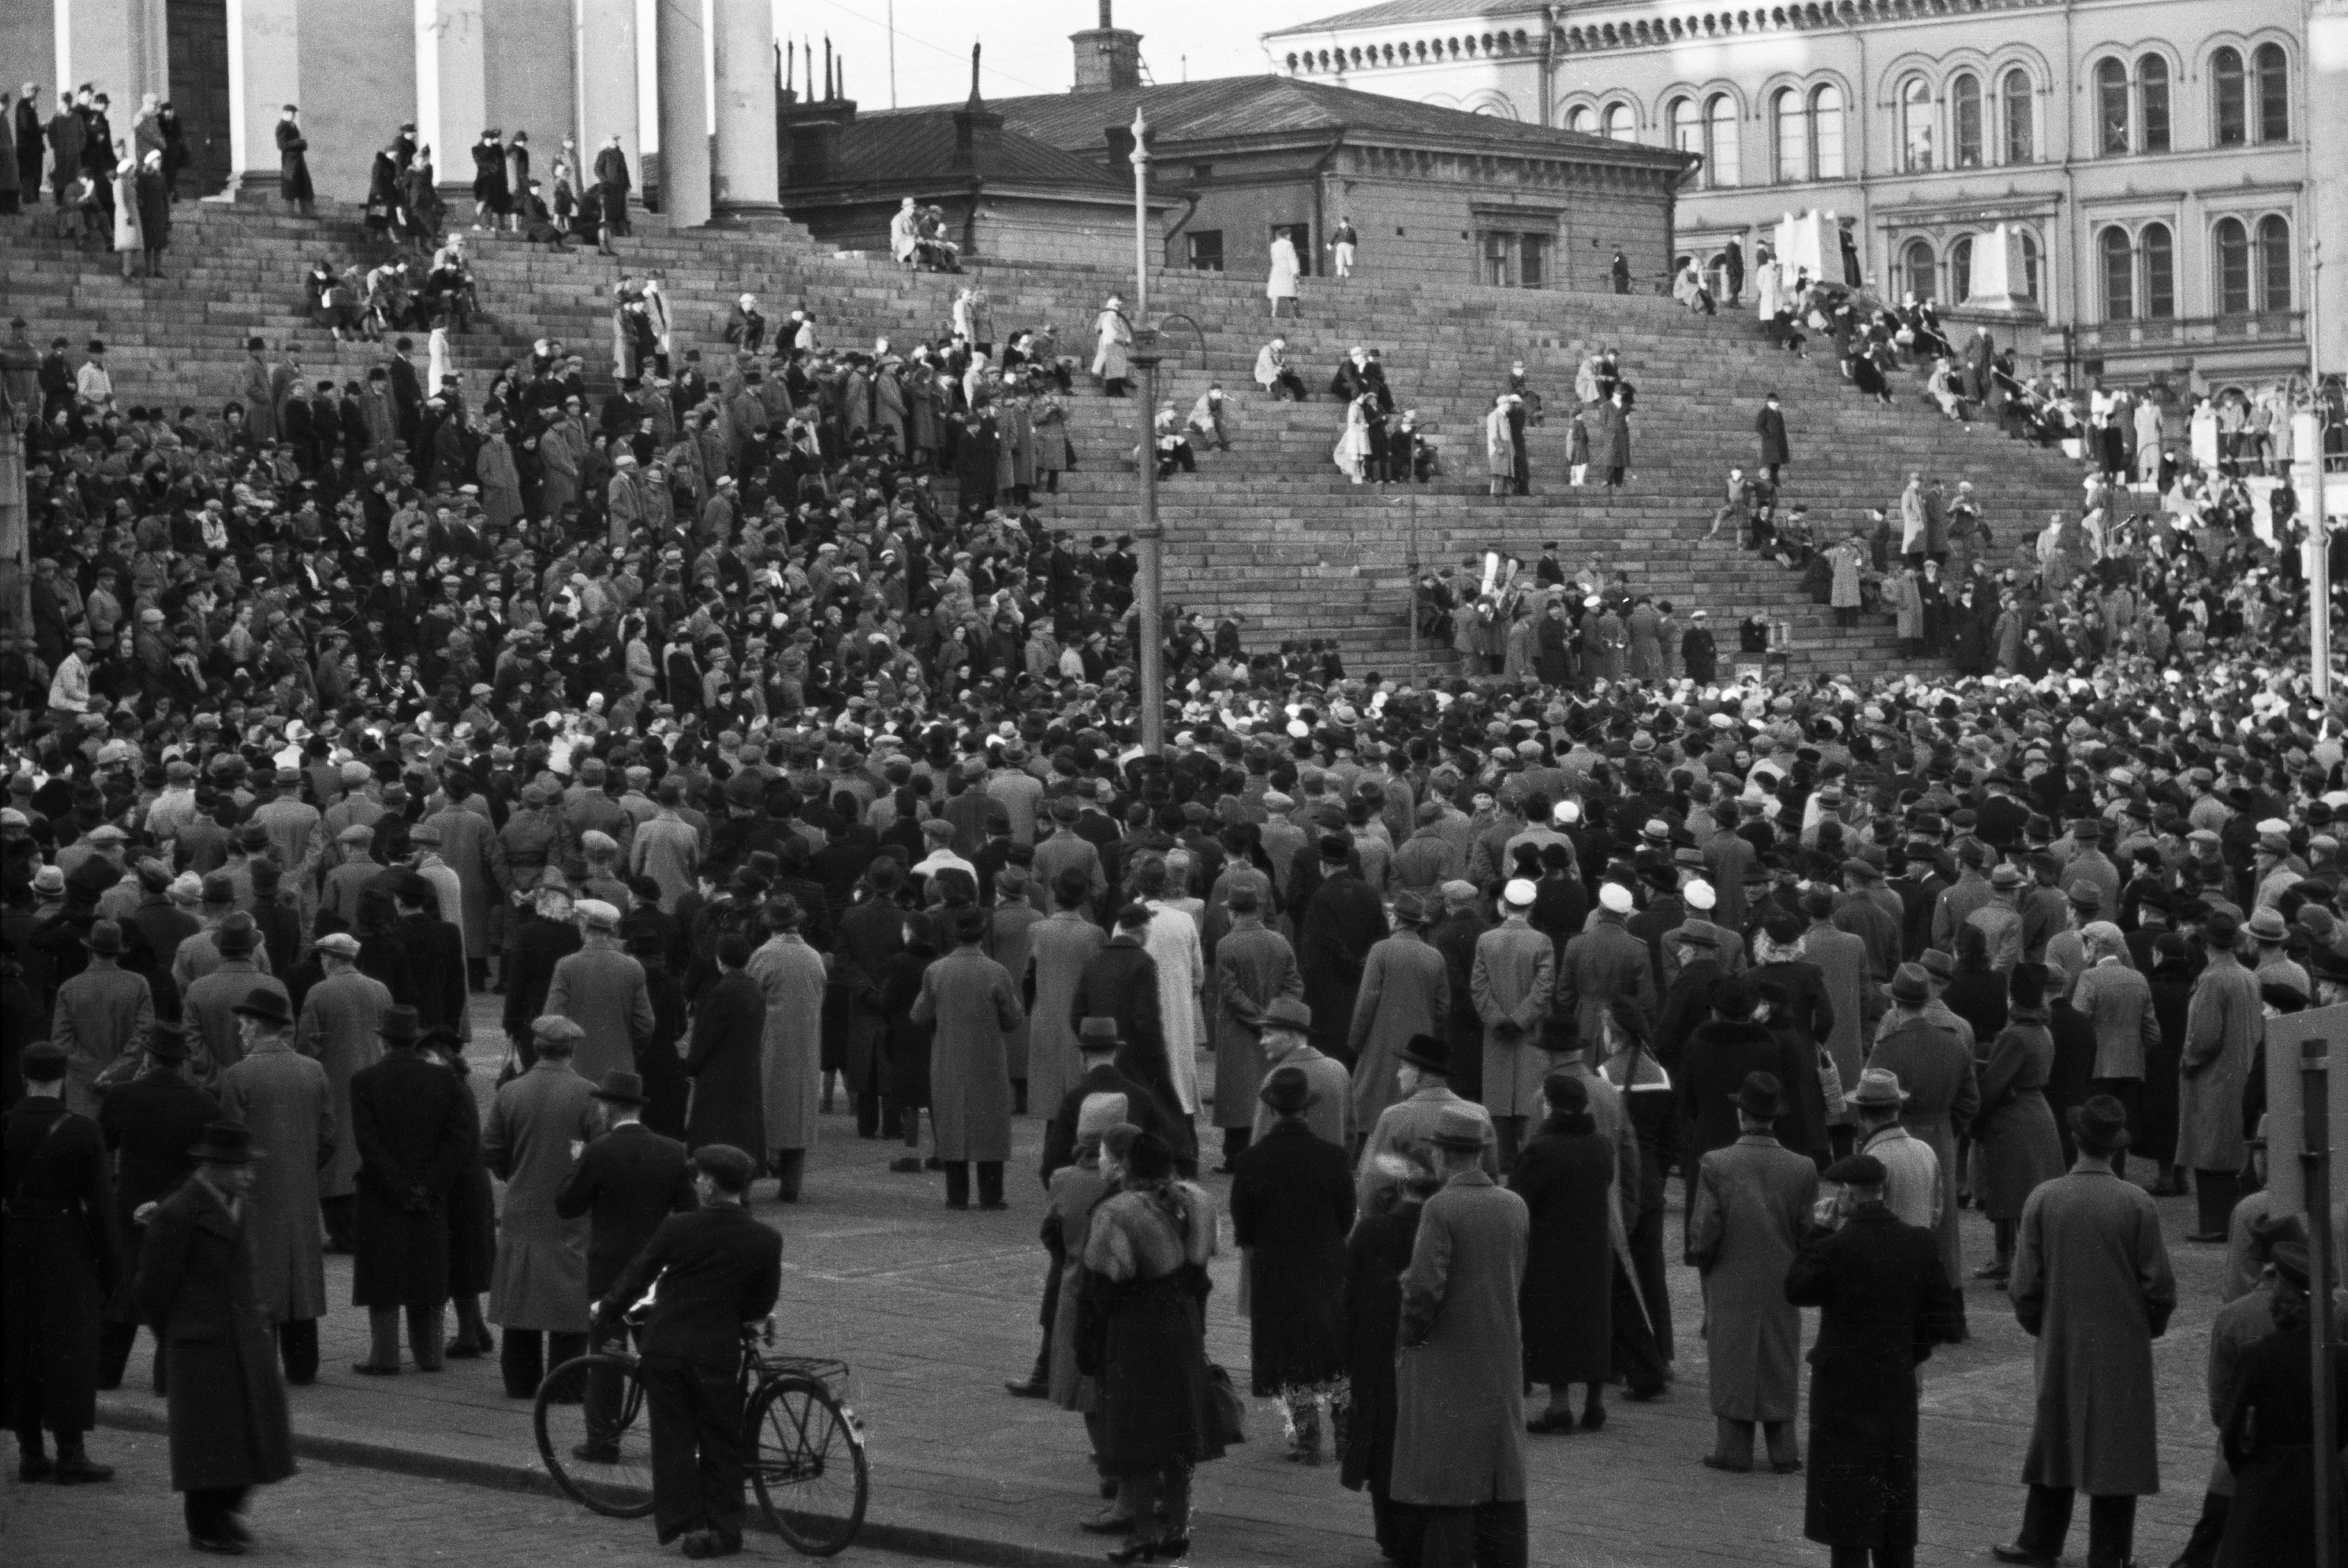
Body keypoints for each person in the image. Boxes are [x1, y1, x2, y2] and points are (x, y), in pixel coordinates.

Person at [1992, 1095, 2176, 1568]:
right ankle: (2111, 1552)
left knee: (2055, 1433)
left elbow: (2023, 1284)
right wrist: (2143, 1327)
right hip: (2122, 1342)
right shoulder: (2138, 1203)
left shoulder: (2045, 1197)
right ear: (2117, 1147)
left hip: (2061, 1337)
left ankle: (2039, 1540)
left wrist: (2043, 1323)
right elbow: (2159, 1285)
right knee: (2118, 1441)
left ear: (2075, 1140)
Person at [591, 1143, 783, 1561]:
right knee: (721, 1439)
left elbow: (639, 1275)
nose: (696, 1183)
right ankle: (726, 1529)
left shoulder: (678, 1227)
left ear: (710, 1185)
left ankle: (690, 1526)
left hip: (667, 1347)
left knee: (673, 1437)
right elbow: (760, 1302)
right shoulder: (766, 1239)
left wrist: (607, 1310)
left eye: (699, 1178)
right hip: (716, 1354)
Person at [1783, 1152, 1962, 1568]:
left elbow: (1796, 1288)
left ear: (1847, 1193)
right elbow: (1943, 1318)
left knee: (1847, 1509)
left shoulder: (1834, 1247)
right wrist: (1908, 1351)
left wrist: (1817, 1231)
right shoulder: (1918, 1242)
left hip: (1841, 1390)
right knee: (1894, 1498)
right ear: (1882, 1191)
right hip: (1895, 1385)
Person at [135, 1121, 295, 1552]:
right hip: (202, 1342)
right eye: (240, 1167)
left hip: (244, 1336)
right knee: (208, 1443)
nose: (249, 1175)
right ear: (211, 1167)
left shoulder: (236, 1204)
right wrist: (177, 1336)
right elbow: (153, 1289)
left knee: (250, 1432)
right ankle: (204, 1525)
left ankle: (226, 1511)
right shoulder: (179, 1212)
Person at [1389, 1102, 1530, 1568]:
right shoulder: (1514, 1206)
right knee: (1499, 1478)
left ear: (1442, 1155)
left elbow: (1424, 1290)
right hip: (1500, 1352)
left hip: (1446, 1358)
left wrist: (1408, 1335)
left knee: (1448, 1481)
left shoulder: (1441, 1207)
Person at [1080, 1128, 1222, 1562]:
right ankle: (1177, 1527)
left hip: (1134, 1329)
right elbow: (1201, 1275)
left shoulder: (1117, 1211)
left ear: (1129, 1168)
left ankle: (1142, 1532)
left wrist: (1087, 1340)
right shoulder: (1197, 1201)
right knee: (1178, 1429)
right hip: (1183, 1322)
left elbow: (1103, 1285)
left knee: (1136, 1431)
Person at [555, 1068, 696, 1460]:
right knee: (661, 1358)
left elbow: (567, 1206)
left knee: (607, 1359)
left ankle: (604, 1441)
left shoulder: (599, 1150)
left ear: (607, 1109)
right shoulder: (672, 1151)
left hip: (609, 1273)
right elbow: (689, 1211)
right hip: (657, 1273)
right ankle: (674, 1440)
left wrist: (577, 1164)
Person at [1688, 1071, 1818, 1473]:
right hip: (1782, 1278)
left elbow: (1705, 1231)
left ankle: (1734, 1448)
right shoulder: (1803, 1168)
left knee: (1731, 1356)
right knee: (1780, 1354)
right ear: (1774, 1117)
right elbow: (1808, 1231)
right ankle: (1784, 1449)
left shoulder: (1717, 1164)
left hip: (1730, 1275)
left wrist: (1703, 1266)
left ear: (1742, 1114)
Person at [3, 1041, 118, 1484]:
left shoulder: (7, 1126)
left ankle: (30, 1451)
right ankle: (71, 1451)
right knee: (69, 1346)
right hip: (66, 1246)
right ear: (62, 1078)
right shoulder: (82, 1130)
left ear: (23, 1076)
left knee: (19, 1346)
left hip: (13, 1247)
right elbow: (102, 1210)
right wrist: (112, 1271)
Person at [1229, 1064, 1355, 1462]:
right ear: (1307, 1109)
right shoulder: (1333, 1158)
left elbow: (1243, 1224)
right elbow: (1347, 1216)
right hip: (1325, 1263)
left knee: (1288, 1352)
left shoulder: (1251, 1160)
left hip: (1276, 1266)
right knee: (1334, 1350)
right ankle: (1347, 1433)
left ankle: (1306, 1438)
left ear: (1272, 1110)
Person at [348, 1005, 475, 1374]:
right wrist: (429, 1186)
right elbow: (459, 1141)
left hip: (382, 1191)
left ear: (384, 1041)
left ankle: (384, 1356)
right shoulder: (446, 1081)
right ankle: (429, 1355)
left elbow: (368, 1143)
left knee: (382, 1272)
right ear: (417, 1040)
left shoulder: (365, 1081)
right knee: (427, 1269)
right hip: (430, 1195)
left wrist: (400, 1185)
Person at [215, 987, 333, 1386]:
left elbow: (230, 1144)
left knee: (260, 1277)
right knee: (301, 1275)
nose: (239, 1034)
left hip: (256, 1192)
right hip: (300, 1190)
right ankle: (303, 1366)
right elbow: (329, 1136)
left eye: (242, 1026)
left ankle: (262, 1364)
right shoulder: (313, 1070)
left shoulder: (237, 1076)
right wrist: (303, 1167)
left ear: (253, 1027)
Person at [94, 1023, 217, 1392]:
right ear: (182, 1062)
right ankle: (166, 1379)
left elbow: (103, 1145)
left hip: (129, 1205)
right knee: (175, 1294)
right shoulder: (204, 1103)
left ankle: (106, 1373)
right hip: (178, 1207)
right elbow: (202, 1166)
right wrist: (165, 1200)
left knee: (121, 1291)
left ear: (148, 1057)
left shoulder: (123, 1096)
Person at [484, 1014, 599, 1399]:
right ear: (572, 1050)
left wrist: (514, 1174)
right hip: (573, 1212)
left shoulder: (511, 1092)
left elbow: (493, 1150)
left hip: (522, 1208)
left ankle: (520, 1382)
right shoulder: (589, 1095)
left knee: (521, 1297)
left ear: (536, 1048)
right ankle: (566, 1386)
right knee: (569, 1301)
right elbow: (600, 1155)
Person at [1342, 1148, 1441, 1562]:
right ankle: (1419, 1533)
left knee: (1381, 1443)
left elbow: (1349, 1298)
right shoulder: (1441, 1231)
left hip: (1377, 1352)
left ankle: (1390, 1535)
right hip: (1429, 1356)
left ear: (1402, 1185)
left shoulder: (1371, 1231)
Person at [1509, 1071, 1615, 1435]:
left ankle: (1558, 1405)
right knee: (1592, 1320)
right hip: (1594, 1247)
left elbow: (1519, 1198)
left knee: (1555, 1321)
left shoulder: (1542, 1149)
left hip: (1551, 1250)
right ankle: (1595, 1403)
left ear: (1548, 1106)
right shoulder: (1602, 1145)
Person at [911, 903, 1023, 1210]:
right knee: (990, 1118)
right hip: (988, 1056)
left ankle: (956, 1194)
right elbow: (1013, 1020)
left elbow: (919, 1015)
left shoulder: (936, 971)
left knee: (953, 1118)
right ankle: (991, 1194)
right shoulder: (997, 972)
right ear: (983, 934)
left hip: (948, 1055)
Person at [1471, 877, 1556, 1169]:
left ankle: (1500, 1161)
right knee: (1528, 1094)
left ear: (1505, 906)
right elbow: (1544, 989)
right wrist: (1520, 1022)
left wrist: (1498, 1020)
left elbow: (1479, 987)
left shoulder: (1486, 940)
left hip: (1496, 1033)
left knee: (1497, 1097)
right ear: (1531, 908)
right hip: (1529, 1033)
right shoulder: (1542, 942)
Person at [746, 896, 826, 1203]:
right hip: (806, 1042)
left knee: (763, 1108)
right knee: (798, 1110)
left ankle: (750, 1179)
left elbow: (750, 996)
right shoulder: (813, 956)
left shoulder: (764, 955)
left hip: (771, 1041)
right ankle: (792, 1183)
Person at [274, 104, 311, 217]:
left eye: (294, 114)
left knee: (303, 186)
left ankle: (306, 212)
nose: (294, 116)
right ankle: (291, 212)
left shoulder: (292, 125)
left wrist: (301, 144)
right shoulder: (282, 126)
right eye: (292, 113)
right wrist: (299, 143)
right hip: (290, 162)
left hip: (297, 160)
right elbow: (282, 145)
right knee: (290, 187)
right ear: (285, 113)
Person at [1268, 230, 1302, 317]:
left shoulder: (1273, 245)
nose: (1290, 237)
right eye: (1289, 235)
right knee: (1292, 292)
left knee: (1276, 291)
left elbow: (1273, 259)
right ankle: (1296, 312)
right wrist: (1296, 272)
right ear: (1286, 235)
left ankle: (1274, 311)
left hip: (1276, 270)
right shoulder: (1289, 244)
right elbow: (1292, 258)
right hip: (1287, 270)